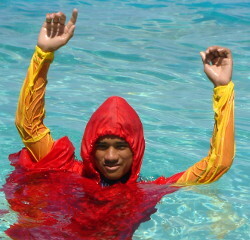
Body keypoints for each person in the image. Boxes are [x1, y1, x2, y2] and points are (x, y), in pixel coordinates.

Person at [12, 9, 234, 187]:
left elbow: (217, 165)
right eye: (102, 146)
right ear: (89, 148)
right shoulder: (64, 169)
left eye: (120, 146)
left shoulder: (149, 191)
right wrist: (43, 54)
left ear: (136, 149)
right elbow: (28, 125)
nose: (110, 156)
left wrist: (222, 89)